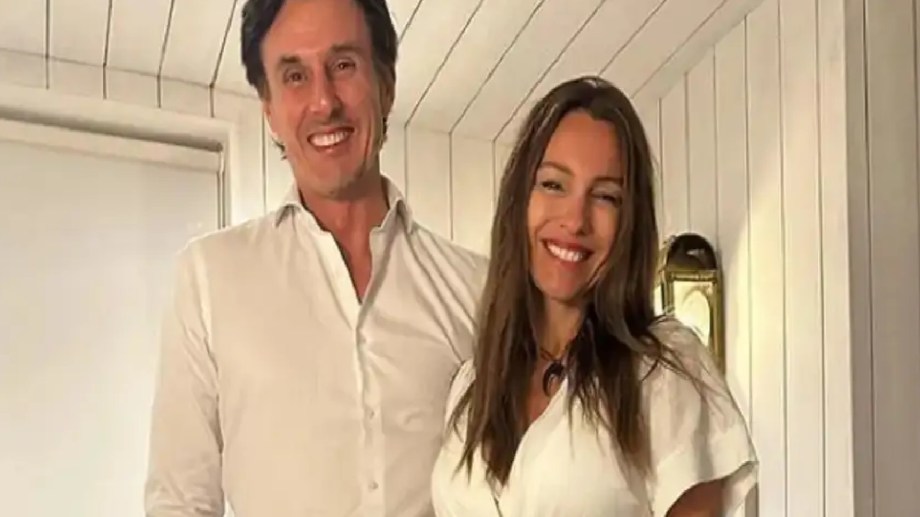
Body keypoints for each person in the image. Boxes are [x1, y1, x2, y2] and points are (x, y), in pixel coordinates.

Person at [144, 0, 486, 515]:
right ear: (269, 109)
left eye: (343, 65)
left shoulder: (477, 291)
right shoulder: (210, 279)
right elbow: (179, 501)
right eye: (295, 76)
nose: (324, 102)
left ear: (386, 84)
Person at [430, 76, 758, 516]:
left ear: (630, 223)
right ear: (519, 200)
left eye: (605, 196)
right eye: (553, 184)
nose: (575, 220)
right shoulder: (471, 386)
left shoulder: (665, 370)